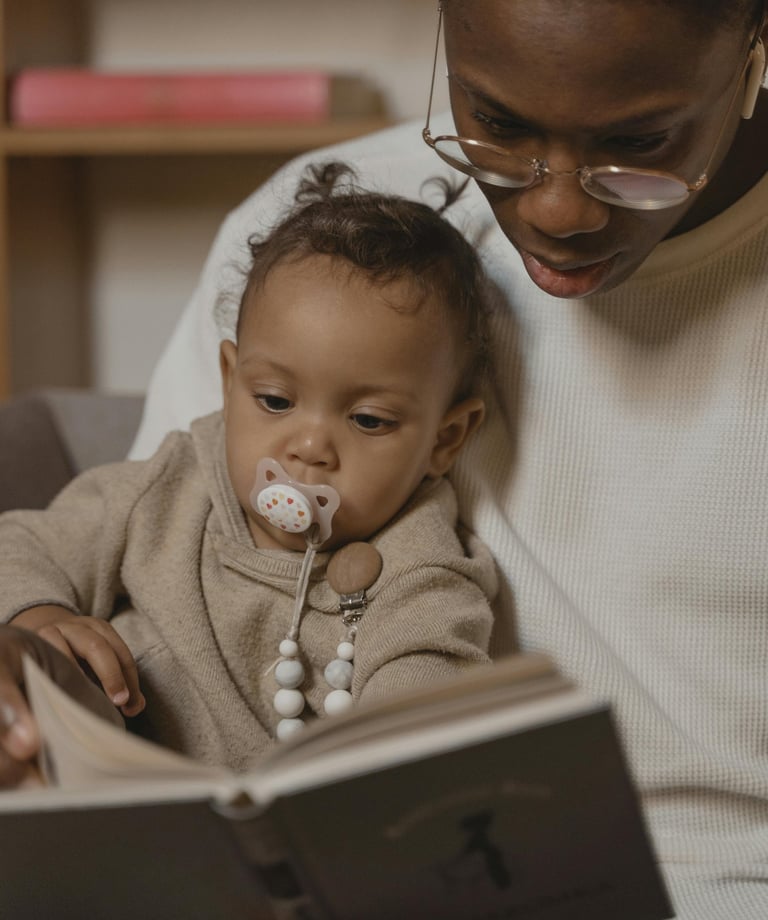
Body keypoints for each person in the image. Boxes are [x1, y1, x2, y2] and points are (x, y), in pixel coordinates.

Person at [1, 0, 766, 915]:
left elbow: (423, 667)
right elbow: (97, 551)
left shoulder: (423, 565)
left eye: (640, 142)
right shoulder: (319, 231)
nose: (557, 207)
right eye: (497, 125)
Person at [0, 161, 497, 770]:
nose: (309, 447)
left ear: (445, 441)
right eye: (275, 401)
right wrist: (40, 616)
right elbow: (22, 543)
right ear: (232, 382)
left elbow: (428, 682)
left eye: (368, 420)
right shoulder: (172, 486)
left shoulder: (420, 569)